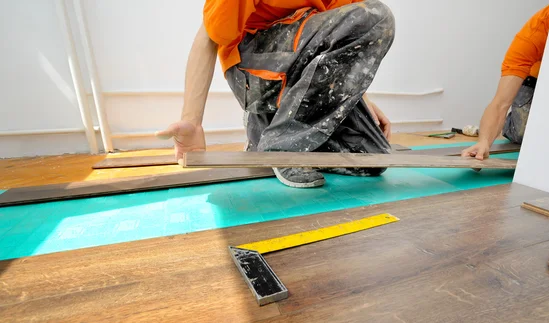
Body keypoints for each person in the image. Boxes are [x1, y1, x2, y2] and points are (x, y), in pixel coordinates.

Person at [156, 0, 395, 188]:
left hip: (303, 60)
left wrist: (356, 95)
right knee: (377, 16)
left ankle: (265, 133)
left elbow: (344, 46)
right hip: (253, 72)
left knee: (370, 156)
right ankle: (281, 147)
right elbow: (207, 35)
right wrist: (192, 121)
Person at [462, 2, 549, 160]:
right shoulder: (539, 29)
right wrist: (484, 142)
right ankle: (510, 125)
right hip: (535, 84)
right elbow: (500, 103)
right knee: (525, 134)